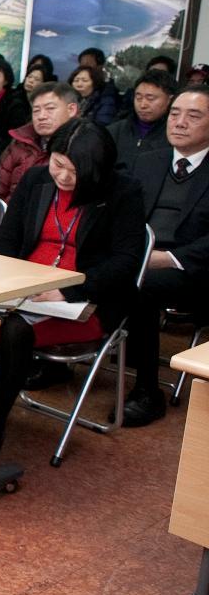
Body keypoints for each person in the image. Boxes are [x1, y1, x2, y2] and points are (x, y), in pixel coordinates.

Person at [0, 120, 145, 468]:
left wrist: (68, 289)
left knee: (8, 332)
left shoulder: (123, 192)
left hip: (84, 303)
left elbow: (125, 264)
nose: (61, 177)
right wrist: (3, 282)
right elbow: (6, 240)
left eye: (74, 172)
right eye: (58, 164)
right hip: (23, 290)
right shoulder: (36, 179)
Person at [123, 86, 209, 426]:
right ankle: (59, 358)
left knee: (141, 287)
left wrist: (169, 257)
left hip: (193, 271)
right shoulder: (149, 160)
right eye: (175, 114)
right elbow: (125, 215)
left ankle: (147, 390)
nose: (180, 123)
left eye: (194, 116)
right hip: (140, 257)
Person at [0, 82, 80, 200]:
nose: (41, 116)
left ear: (71, 110)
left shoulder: (84, 146)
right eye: (36, 110)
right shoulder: (20, 142)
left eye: (50, 108)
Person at [108, 69, 175, 172]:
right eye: (138, 98)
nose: (143, 105)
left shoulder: (175, 134)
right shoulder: (115, 130)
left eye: (150, 99)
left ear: (170, 100)